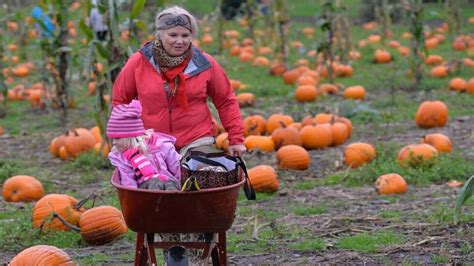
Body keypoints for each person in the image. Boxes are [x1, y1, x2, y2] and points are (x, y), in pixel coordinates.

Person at [111, 5, 246, 264]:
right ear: (159, 34)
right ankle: (173, 245)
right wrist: (124, 138)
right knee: (160, 193)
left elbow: (226, 100)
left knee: (202, 184)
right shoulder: (139, 62)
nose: (180, 41)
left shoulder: (203, 63)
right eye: (173, 34)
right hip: (153, 143)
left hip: (198, 139)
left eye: (185, 35)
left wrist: (236, 138)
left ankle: (201, 246)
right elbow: (121, 100)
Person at [107, 100, 181, 191]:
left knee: (171, 184)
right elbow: (128, 182)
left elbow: (176, 167)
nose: (114, 142)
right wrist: (133, 199)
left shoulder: (160, 145)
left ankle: (176, 202)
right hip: (144, 189)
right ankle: (156, 204)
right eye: (112, 139)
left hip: (167, 179)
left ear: (130, 137)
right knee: (155, 182)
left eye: (117, 138)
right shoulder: (122, 158)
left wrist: (181, 184)